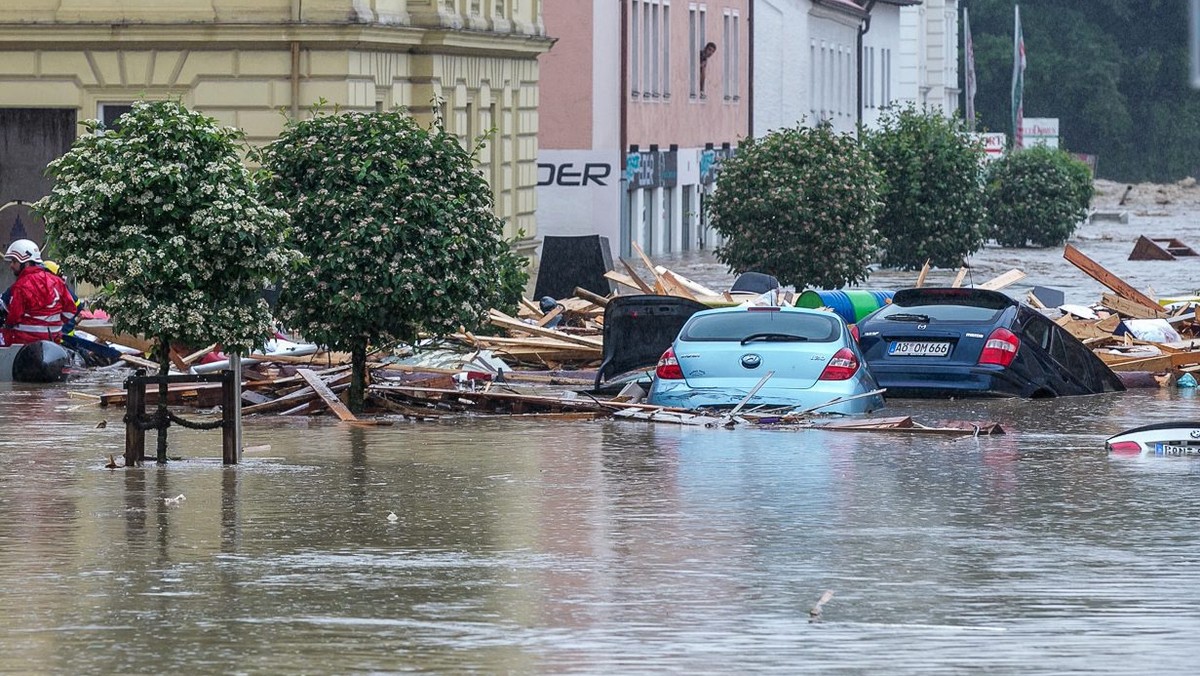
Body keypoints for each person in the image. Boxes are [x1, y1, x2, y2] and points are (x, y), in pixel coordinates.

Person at [2, 239, 78, 346]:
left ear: (26, 263)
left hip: (23, 340)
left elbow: (14, 317)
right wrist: (54, 325)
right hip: (53, 340)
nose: (11, 266)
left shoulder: (20, 286)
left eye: (14, 261)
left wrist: (8, 325)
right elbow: (71, 310)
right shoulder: (57, 281)